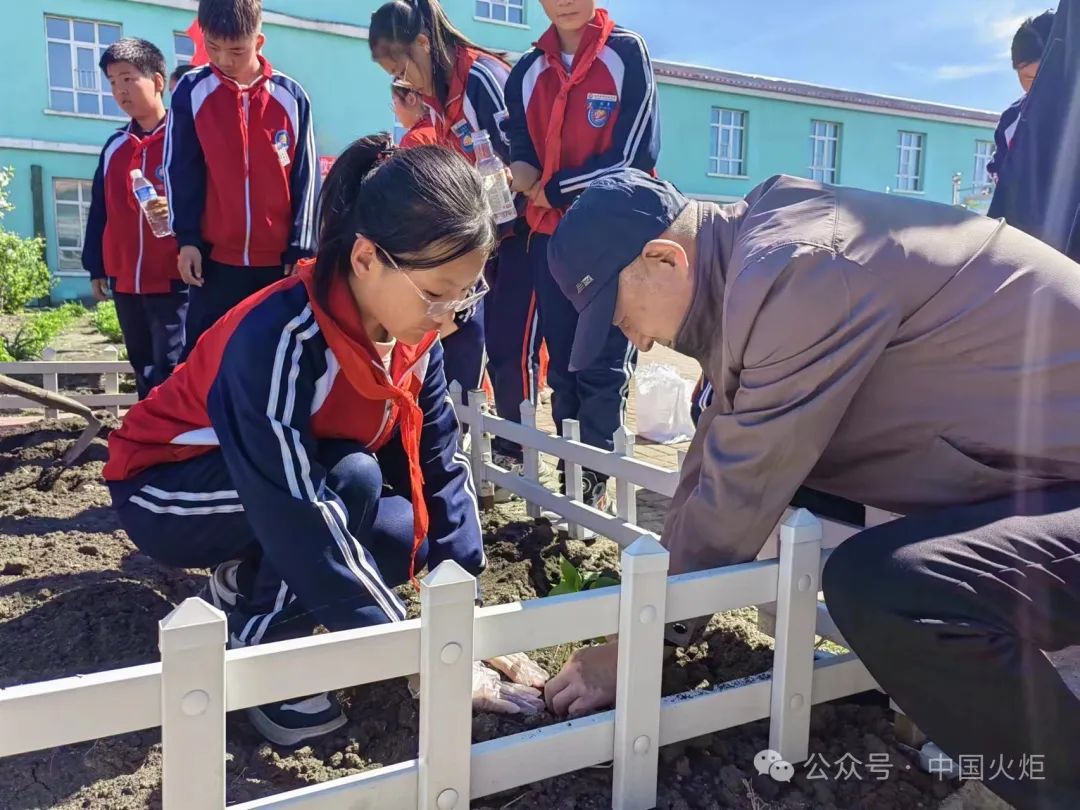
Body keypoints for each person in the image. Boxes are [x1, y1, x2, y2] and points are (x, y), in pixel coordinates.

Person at [540, 169, 1080, 810]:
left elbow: (740, 485)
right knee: (819, 506)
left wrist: (640, 649)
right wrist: (647, 618)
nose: (640, 340)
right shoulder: (757, 257)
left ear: (664, 259)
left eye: (622, 316)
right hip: (1046, 478)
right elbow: (715, 459)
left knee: (887, 587)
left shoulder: (801, 270)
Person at [105, 137, 546, 746]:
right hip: (168, 488)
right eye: (436, 292)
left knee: (397, 536)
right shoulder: (282, 333)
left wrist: (467, 616)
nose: (449, 317)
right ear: (366, 258)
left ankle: (246, 584)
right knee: (350, 482)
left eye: (467, 292)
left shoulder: (414, 341)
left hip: (284, 483)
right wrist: (422, 655)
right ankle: (265, 657)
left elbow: (439, 467)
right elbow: (291, 503)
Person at [370, 0, 542, 474]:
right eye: (391, 73)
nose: (403, 80)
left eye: (401, 65)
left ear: (424, 43)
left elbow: (519, 157)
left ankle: (519, 451)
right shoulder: (436, 100)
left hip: (521, 232)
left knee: (512, 346)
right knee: (464, 337)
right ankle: (466, 438)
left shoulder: (481, 78)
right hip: (481, 239)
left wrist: (504, 193)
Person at [504, 0, 660, 511]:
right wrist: (517, 174)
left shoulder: (624, 54)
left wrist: (556, 189)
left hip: (613, 237)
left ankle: (598, 481)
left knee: (604, 364)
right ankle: (573, 476)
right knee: (564, 365)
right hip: (549, 239)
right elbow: (521, 149)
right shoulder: (525, 71)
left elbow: (635, 157)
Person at [166, 0, 319, 358]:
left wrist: (301, 248)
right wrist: (187, 239)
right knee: (207, 358)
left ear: (259, 42)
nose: (224, 60)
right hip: (215, 263)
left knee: (271, 356)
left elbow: (306, 178)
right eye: (213, 47)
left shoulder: (291, 97)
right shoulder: (192, 91)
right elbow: (180, 169)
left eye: (236, 50)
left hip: (277, 265)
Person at [82, 38, 188, 401]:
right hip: (126, 279)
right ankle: (147, 444)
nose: (119, 91)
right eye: (112, 82)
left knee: (173, 366)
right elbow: (100, 209)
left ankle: (176, 446)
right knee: (141, 364)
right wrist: (95, 266)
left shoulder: (184, 138)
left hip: (173, 279)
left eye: (128, 79)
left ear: (158, 81)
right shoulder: (115, 146)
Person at [986, 10, 1055, 181]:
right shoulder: (1011, 121)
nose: (1038, 85)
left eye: (1047, 75)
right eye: (1028, 77)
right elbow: (1000, 170)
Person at [392, 79, 437, 149]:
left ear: (411, 99)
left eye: (395, 103)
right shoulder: (443, 127)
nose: (394, 110)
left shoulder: (413, 139)